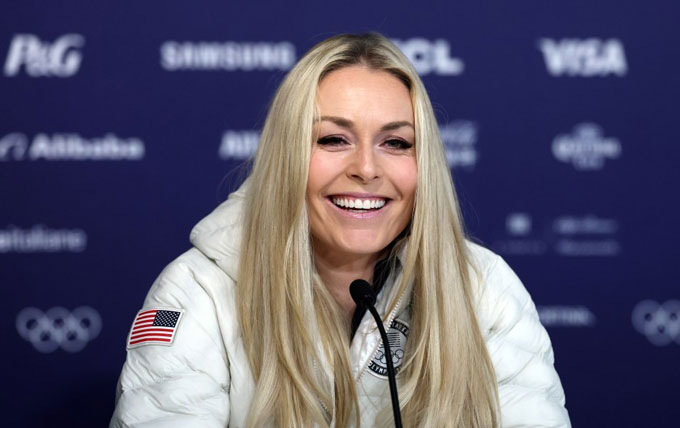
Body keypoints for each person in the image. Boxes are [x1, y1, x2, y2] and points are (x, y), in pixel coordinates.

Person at [110, 33, 571, 428]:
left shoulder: (484, 288)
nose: (366, 168)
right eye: (333, 139)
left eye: (396, 142)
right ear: (287, 156)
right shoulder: (196, 291)